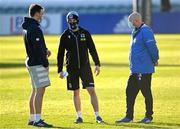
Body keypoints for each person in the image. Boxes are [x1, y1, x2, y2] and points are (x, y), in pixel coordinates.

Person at [57, 11, 103, 124]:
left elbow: (92, 49)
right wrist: (59, 69)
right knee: (75, 92)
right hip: (71, 69)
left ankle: (97, 116)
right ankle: (79, 116)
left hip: (85, 67)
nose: (72, 22)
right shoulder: (64, 35)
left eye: (74, 20)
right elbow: (60, 53)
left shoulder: (85, 33)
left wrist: (97, 64)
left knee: (91, 90)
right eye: (70, 20)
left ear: (77, 20)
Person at [116, 12, 159, 123]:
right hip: (135, 69)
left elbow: (152, 46)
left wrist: (155, 59)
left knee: (146, 93)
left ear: (136, 21)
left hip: (143, 69)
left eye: (130, 22)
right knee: (129, 92)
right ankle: (128, 117)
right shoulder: (135, 31)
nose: (129, 24)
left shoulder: (145, 31)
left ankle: (148, 117)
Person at [22, 4, 52, 127]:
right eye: (41, 12)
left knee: (35, 90)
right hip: (37, 63)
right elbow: (38, 48)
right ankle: (37, 120)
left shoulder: (28, 27)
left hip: (31, 61)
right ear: (37, 13)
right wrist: (45, 63)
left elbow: (36, 46)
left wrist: (45, 50)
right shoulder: (35, 28)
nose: (42, 14)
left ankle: (32, 118)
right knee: (40, 91)